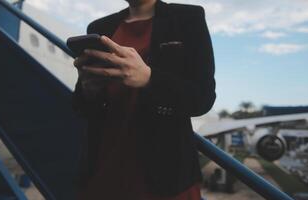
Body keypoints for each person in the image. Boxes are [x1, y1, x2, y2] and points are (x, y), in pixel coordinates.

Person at [72, 0, 216, 199]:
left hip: (165, 172)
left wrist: (149, 78)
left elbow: (203, 97)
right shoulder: (99, 27)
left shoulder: (188, 18)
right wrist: (88, 90)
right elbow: (81, 107)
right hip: (102, 164)